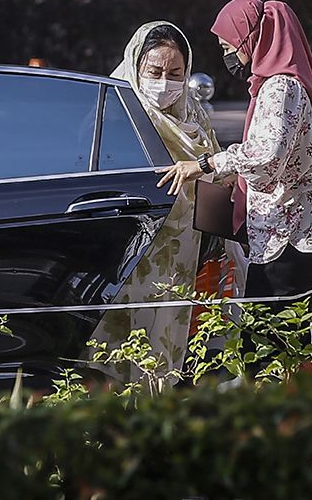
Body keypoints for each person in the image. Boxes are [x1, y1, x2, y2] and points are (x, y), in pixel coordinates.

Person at [158, 0, 312, 340]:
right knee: (285, 345)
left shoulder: (280, 88)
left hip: (290, 236)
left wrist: (205, 164)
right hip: (296, 233)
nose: (228, 55)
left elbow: (266, 156)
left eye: (229, 46)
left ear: (252, 38)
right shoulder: (276, 85)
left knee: (264, 348)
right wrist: (230, 177)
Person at [91, 21, 223, 379]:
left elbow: (216, 163)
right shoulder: (116, 110)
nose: (165, 82)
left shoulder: (193, 113)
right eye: (155, 71)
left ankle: (155, 413)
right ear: (137, 66)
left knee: (165, 334)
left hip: (180, 247)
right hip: (129, 244)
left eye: (175, 72)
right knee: (118, 337)